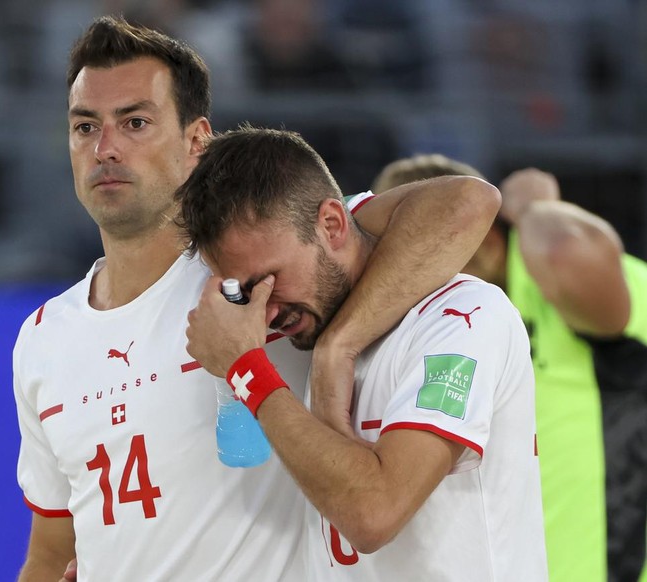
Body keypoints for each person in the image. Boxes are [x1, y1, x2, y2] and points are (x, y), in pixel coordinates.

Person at [12, 16, 500, 581]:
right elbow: (50, 554)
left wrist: (339, 343)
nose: (105, 148)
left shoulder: (265, 267)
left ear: (197, 140)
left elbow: (465, 203)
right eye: (85, 127)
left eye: (135, 122)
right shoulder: (43, 339)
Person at [178, 127, 548, 581]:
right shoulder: (305, 317)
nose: (266, 311)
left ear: (333, 225)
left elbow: (373, 515)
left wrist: (247, 369)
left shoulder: (463, 319)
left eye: (271, 278)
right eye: (247, 291)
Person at [371, 154, 647, 582]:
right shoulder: (413, 328)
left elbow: (563, 250)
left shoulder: (564, 279)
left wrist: (533, 206)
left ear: (488, 238)